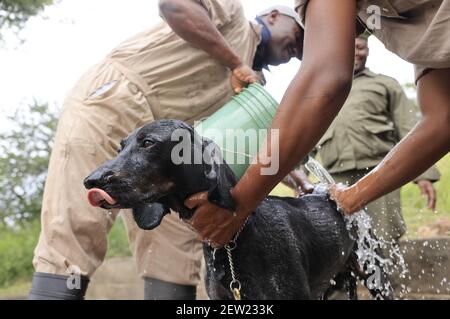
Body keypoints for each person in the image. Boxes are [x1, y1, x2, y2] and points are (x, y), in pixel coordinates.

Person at [28, 0, 304, 300]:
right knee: (74, 230)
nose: (298, 51)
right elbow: (175, 6)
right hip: (114, 104)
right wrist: (234, 62)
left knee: (175, 254)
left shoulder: (249, 88)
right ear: (274, 16)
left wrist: (297, 178)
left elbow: (248, 145)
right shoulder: (233, 15)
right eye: (300, 35)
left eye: (302, 52)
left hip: (164, 159)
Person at [185, 0, 450, 249]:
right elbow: (442, 119)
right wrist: (352, 197)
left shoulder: (383, 78)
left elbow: (323, 82)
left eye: (307, 34)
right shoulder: (417, 28)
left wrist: (239, 204)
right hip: (341, 167)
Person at [313, 34, 440, 245]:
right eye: (348, 46)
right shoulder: (323, 91)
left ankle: (388, 278)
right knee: (338, 241)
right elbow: (308, 135)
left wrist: (424, 175)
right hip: (334, 179)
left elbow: (409, 127)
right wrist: (296, 175)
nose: (355, 53)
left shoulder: (385, 85)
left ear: (368, 50)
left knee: (385, 236)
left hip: (380, 173)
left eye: (360, 47)